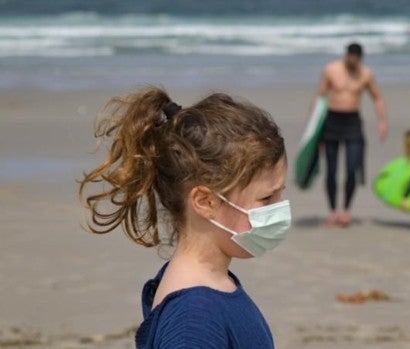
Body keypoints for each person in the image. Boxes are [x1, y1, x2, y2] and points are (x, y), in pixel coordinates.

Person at [79, 87, 290, 349]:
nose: (279, 209)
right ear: (205, 202)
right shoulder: (194, 321)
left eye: (281, 194)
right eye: (266, 199)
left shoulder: (213, 285)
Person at [315, 42, 388, 228]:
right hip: (331, 121)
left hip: (353, 123)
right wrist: (314, 130)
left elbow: (377, 97)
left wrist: (382, 122)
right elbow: (320, 97)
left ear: (360, 58)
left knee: (351, 169)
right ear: (346, 55)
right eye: (350, 58)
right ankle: (332, 212)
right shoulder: (331, 70)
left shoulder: (366, 74)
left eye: (356, 60)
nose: (353, 62)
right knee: (331, 171)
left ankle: (346, 211)